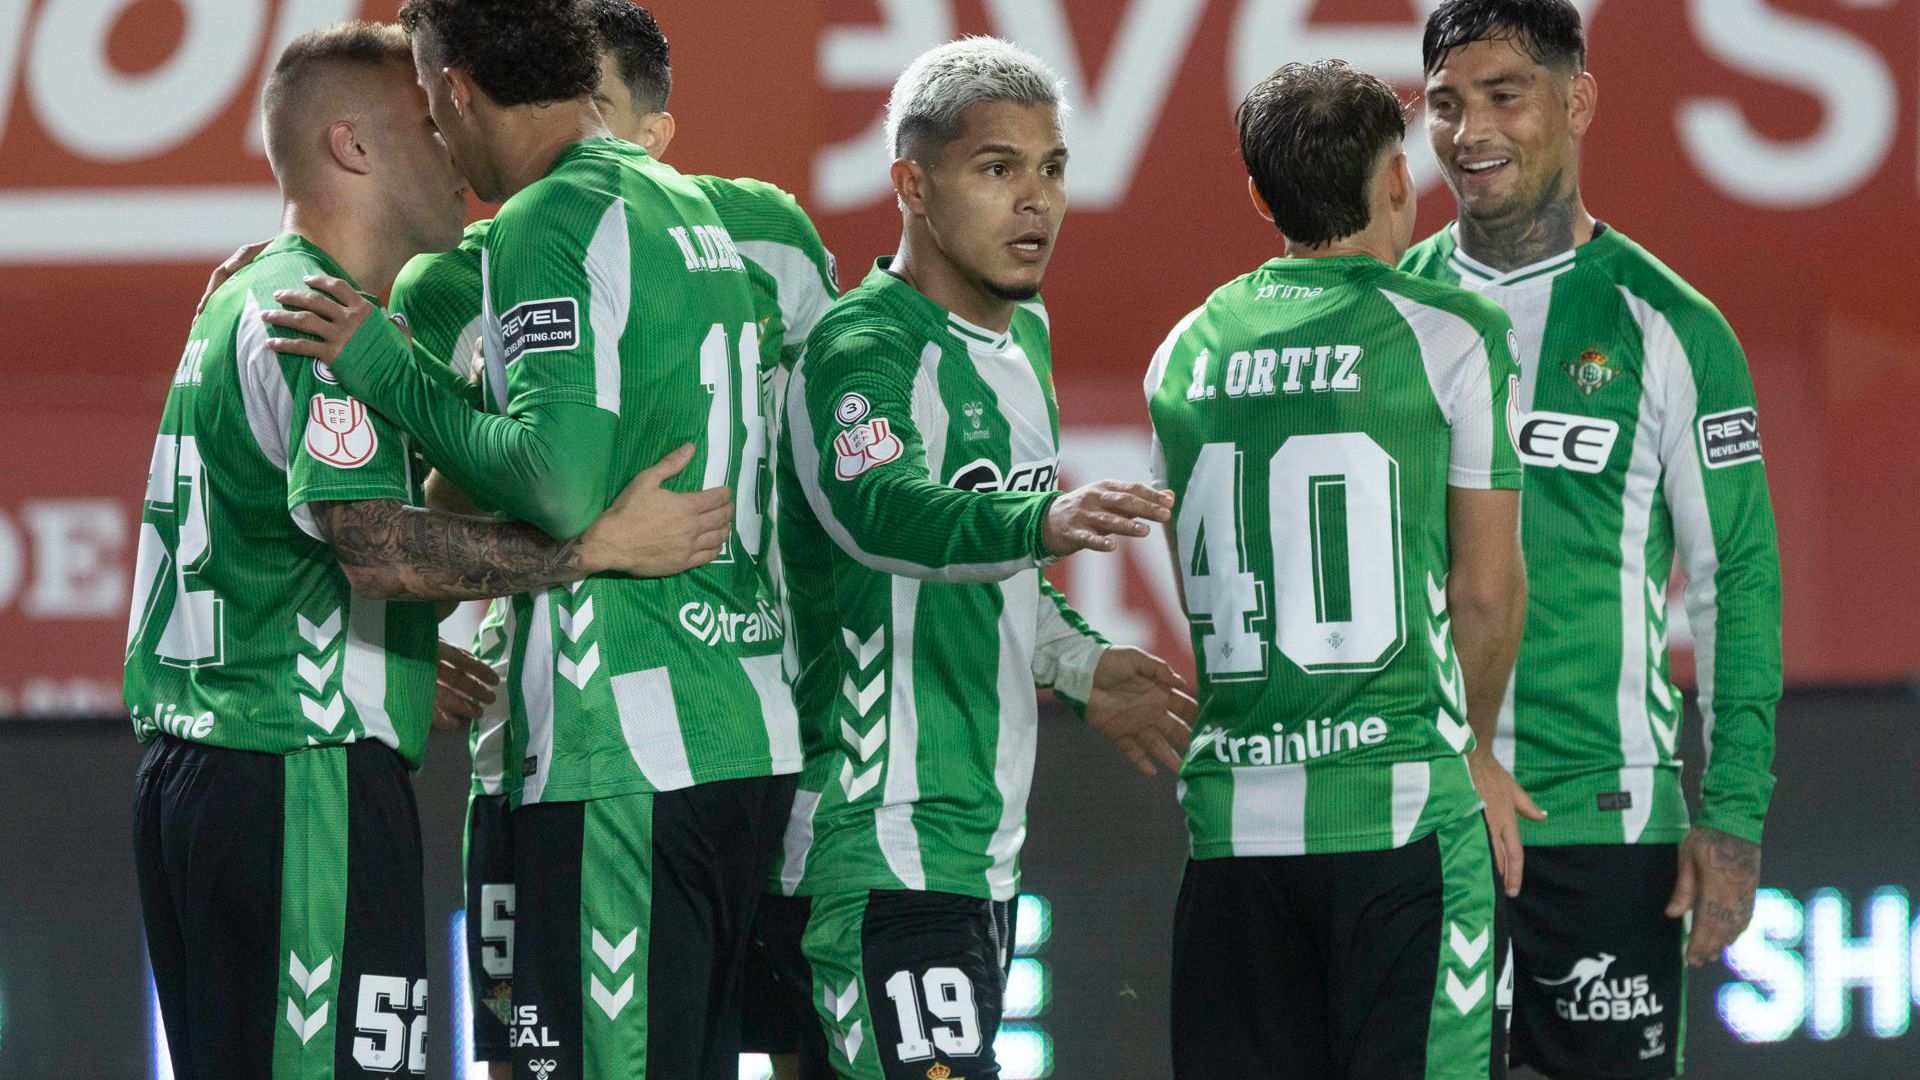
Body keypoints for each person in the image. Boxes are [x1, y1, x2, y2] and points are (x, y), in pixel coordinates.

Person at [127, 20, 725, 1079]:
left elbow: (286, 551)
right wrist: (595, 550)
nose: (458, 147)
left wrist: (387, 643)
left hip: (208, 773)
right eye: (426, 124)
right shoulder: (318, 323)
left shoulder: (248, 293)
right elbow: (378, 551)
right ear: (352, 148)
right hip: (295, 776)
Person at [265, 1, 810, 1075]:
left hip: (625, 744)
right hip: (738, 726)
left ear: (460, 89)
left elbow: (556, 487)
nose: (436, 134)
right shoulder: (680, 203)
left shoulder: (545, 222)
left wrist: (387, 365)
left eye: (429, 105)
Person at [766, 37, 1196, 1080]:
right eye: (997, 168)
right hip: (877, 836)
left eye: (1050, 167)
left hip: (977, 850)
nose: (1035, 200)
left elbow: (989, 560)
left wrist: (1079, 662)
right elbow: (881, 515)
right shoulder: (862, 347)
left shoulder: (1020, 343)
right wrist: (1039, 522)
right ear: (911, 183)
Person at [1401, 3, 1783, 1076]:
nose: (1469, 131)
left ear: (1578, 102)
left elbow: (1735, 578)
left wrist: (1735, 816)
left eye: (1503, 96)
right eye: (1444, 104)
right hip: (1421, 820)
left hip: (1604, 825)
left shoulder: (1672, 326)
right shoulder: (1389, 315)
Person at [1149, 59, 1529, 1078]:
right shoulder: (1454, 335)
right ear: (1397, 180)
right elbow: (1486, 590)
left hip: (1232, 834)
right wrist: (1478, 752)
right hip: (1399, 813)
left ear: (1260, 196)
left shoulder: (1185, 351)